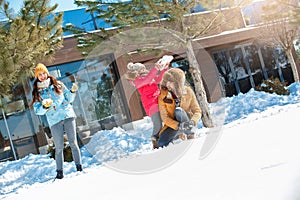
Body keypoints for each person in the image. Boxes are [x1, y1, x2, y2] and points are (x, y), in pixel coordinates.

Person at [31, 63, 82, 179]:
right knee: (58, 147)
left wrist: (73, 91)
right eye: (39, 74)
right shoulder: (37, 93)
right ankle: (59, 172)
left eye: (43, 73)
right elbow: (37, 110)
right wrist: (44, 107)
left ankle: (79, 167)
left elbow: (68, 98)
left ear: (47, 73)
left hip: (67, 114)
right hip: (54, 120)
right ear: (37, 77)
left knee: (73, 142)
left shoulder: (58, 84)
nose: (42, 76)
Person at [125, 56, 173, 149]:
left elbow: (159, 79)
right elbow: (146, 80)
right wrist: (155, 68)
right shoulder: (137, 81)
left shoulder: (149, 76)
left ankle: (169, 137)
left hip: (158, 100)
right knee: (158, 124)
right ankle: (155, 141)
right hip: (151, 105)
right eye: (141, 69)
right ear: (136, 72)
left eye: (144, 68)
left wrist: (164, 68)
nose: (144, 69)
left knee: (168, 118)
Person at [157, 68, 202, 148]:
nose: (167, 84)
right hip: (175, 125)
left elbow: (197, 111)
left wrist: (193, 121)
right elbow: (165, 118)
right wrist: (178, 126)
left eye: (170, 81)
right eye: (166, 81)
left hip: (187, 122)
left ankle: (190, 134)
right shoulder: (162, 96)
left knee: (178, 111)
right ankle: (178, 136)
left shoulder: (188, 91)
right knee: (161, 143)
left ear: (177, 82)